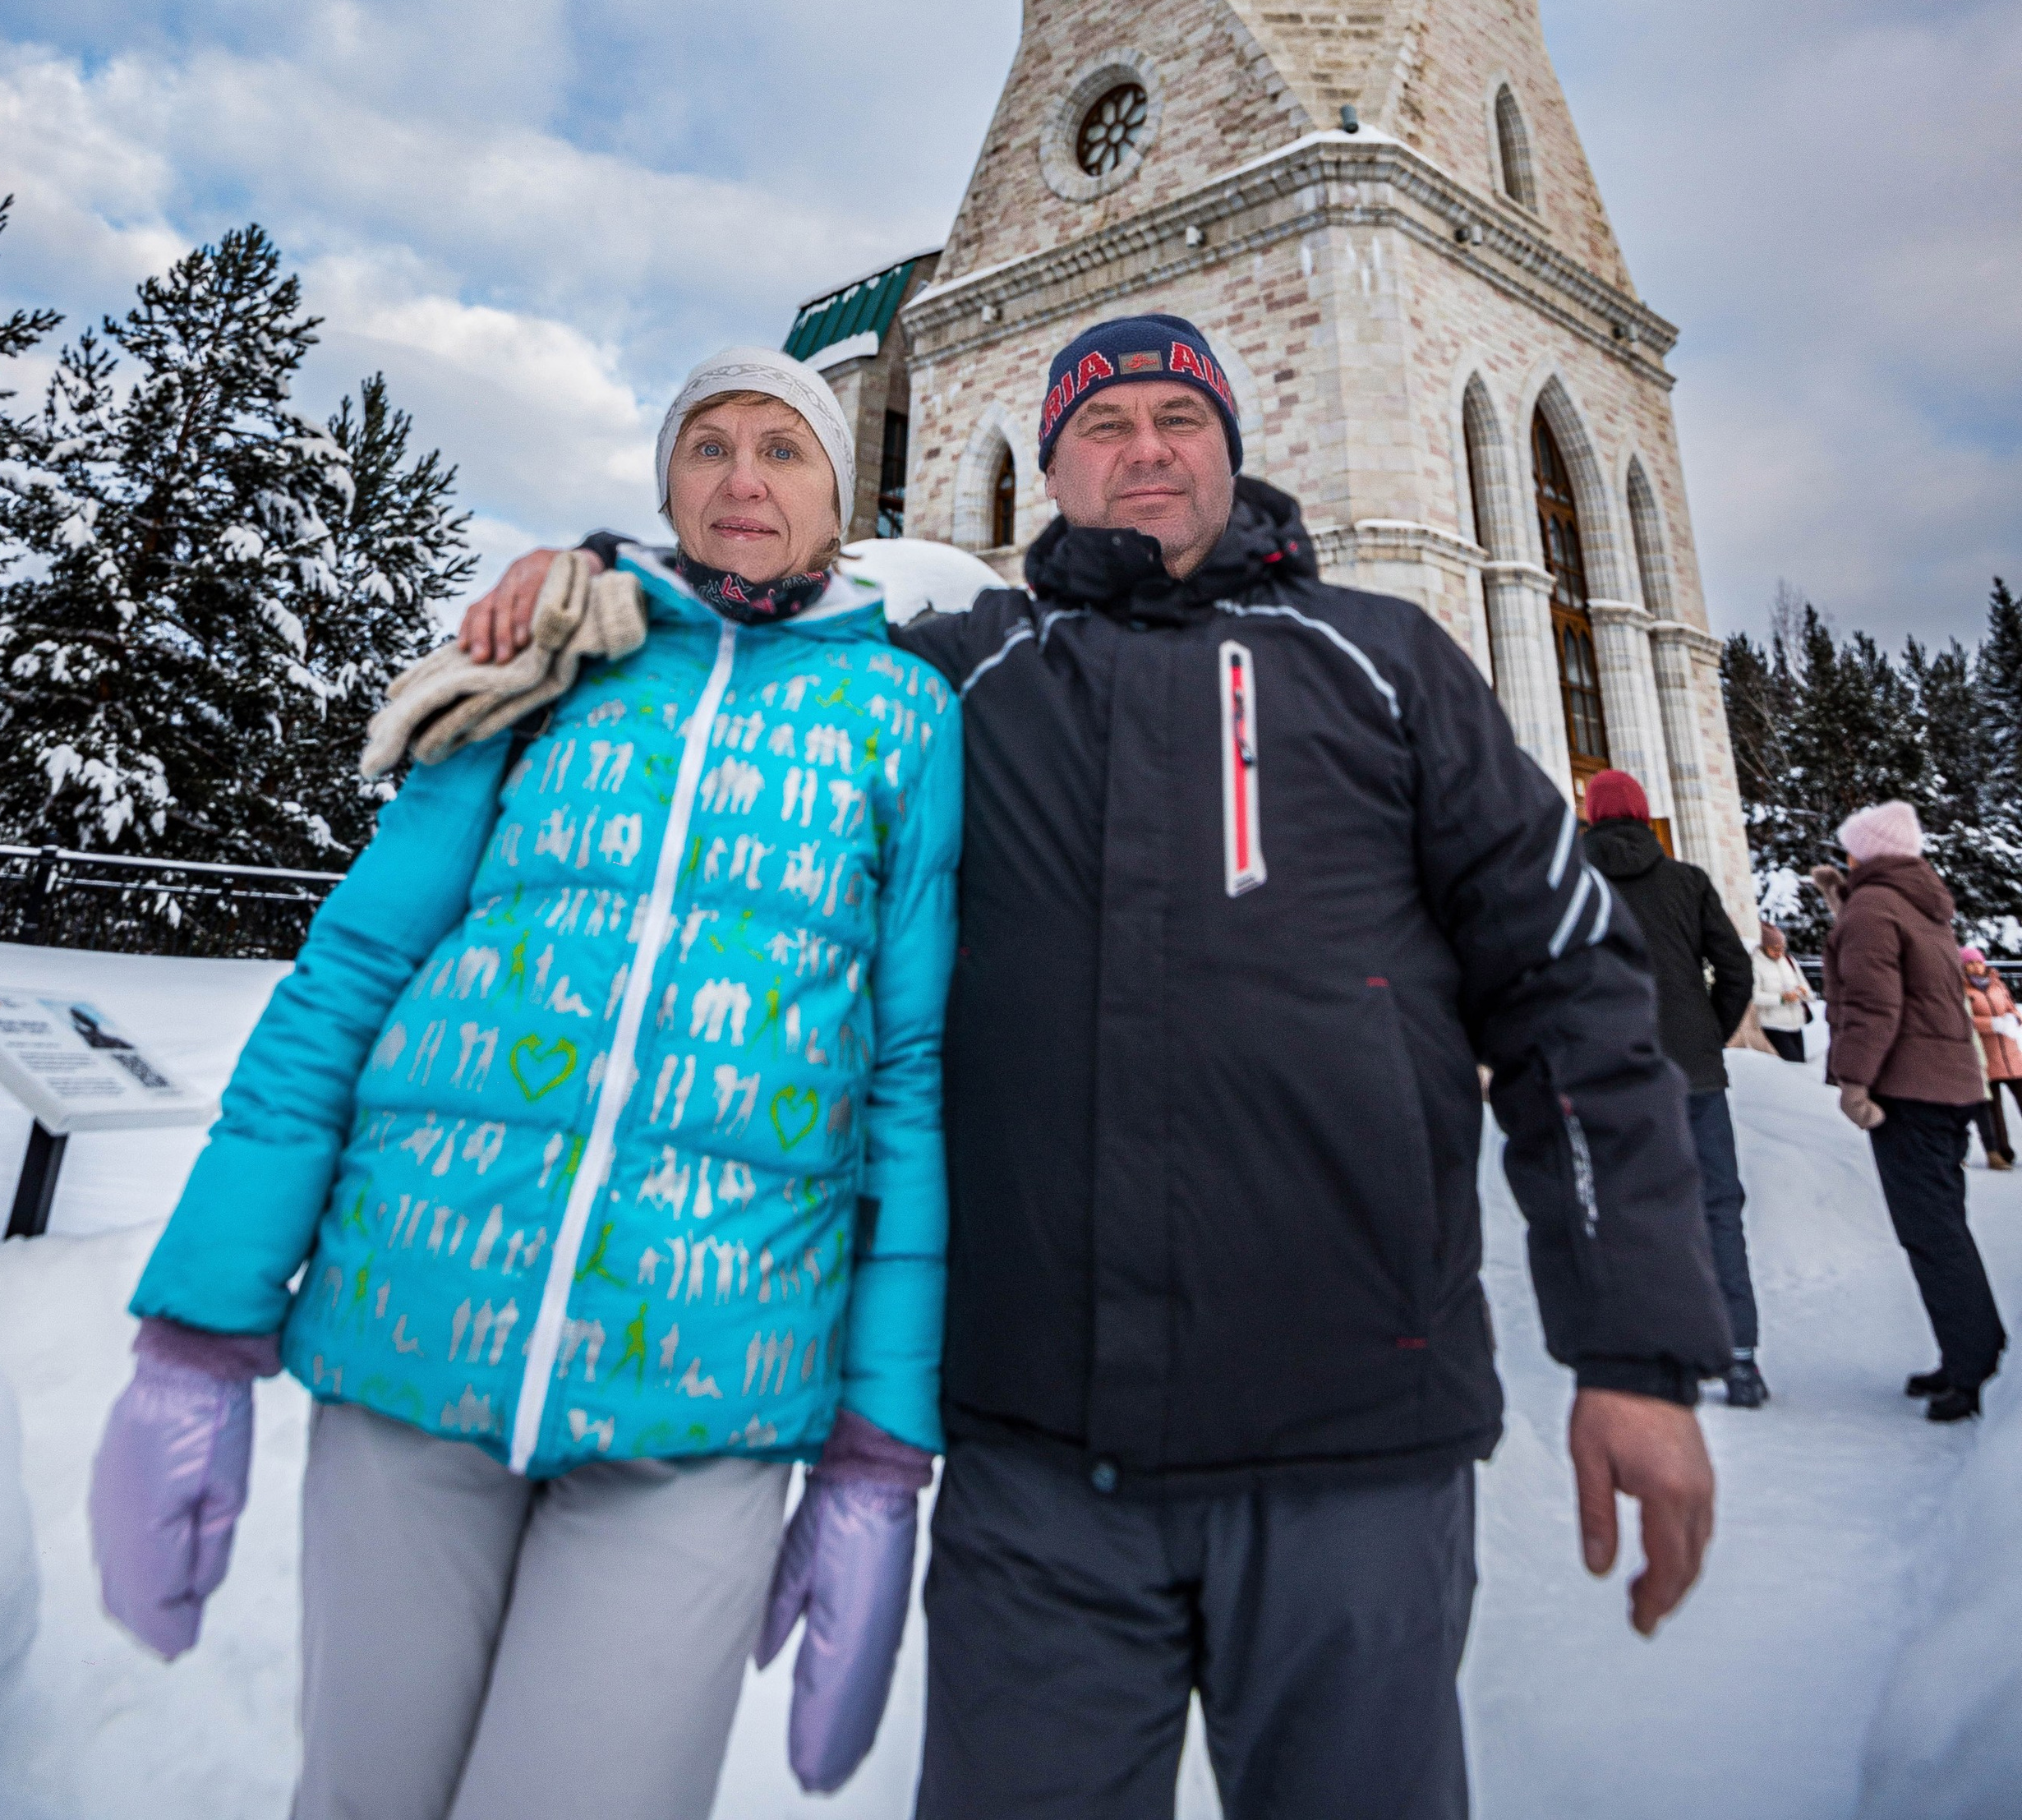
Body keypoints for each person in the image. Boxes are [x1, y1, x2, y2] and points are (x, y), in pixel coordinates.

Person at [475, 311, 1728, 1820]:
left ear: (1230, 448)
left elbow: (1571, 991)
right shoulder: (960, 680)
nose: (1145, 450)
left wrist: (1638, 1355)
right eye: (1105, 426)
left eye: (1178, 421)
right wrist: (601, 580)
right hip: (1040, 1478)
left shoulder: (1384, 664)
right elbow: (762, 634)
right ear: (1050, 467)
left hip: (1355, 1456)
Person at [87, 347, 962, 1820]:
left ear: (839, 494)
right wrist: (198, 1336)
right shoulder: (548, 658)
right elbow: (353, 974)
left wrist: (879, 1451)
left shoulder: (908, 722)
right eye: (711, 447)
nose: (745, 478)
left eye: (784, 451)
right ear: (668, 484)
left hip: (712, 1384)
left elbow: (909, 1079)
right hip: (414, 1331)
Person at [1578, 771, 1766, 1409]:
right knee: (1717, 1205)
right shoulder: (1686, 880)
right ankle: (1740, 1356)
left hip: (1615, 1073)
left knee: (1628, 1206)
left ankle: (1656, 1353)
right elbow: (1735, 966)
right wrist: (1708, 1028)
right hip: (1695, 1073)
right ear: (1643, 812)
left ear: (1592, 817)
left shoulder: (1572, 885)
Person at [1825, 800, 2007, 1423]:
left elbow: (1874, 1004)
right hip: (1951, 1085)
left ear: (1867, 854)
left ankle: (1972, 1366)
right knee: (1943, 1226)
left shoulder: (1874, 908)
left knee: (1931, 1233)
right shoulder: (1919, 903)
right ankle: (1968, 1350)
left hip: (1908, 1090)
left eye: (1852, 849)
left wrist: (1854, 1081)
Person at [1961, 945, 2022, 1169]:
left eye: (1978, 962)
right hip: (1986, 1059)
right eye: (1970, 963)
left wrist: (2014, 1019)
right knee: (1994, 1111)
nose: (1975, 967)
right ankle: (2002, 1153)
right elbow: (1965, 1019)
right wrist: (1993, 1024)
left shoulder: (1998, 984)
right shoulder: (1963, 989)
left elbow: (2011, 1008)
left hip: (2013, 1056)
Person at [1753, 922, 1816, 1062]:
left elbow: (1805, 987)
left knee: (1801, 1065)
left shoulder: (1788, 960)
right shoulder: (1755, 963)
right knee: (1792, 1065)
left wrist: (1804, 993)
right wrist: (1781, 999)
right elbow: (1754, 996)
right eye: (1774, 948)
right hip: (1774, 1025)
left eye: (1782, 948)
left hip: (1796, 1024)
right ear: (1764, 947)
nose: (1779, 952)